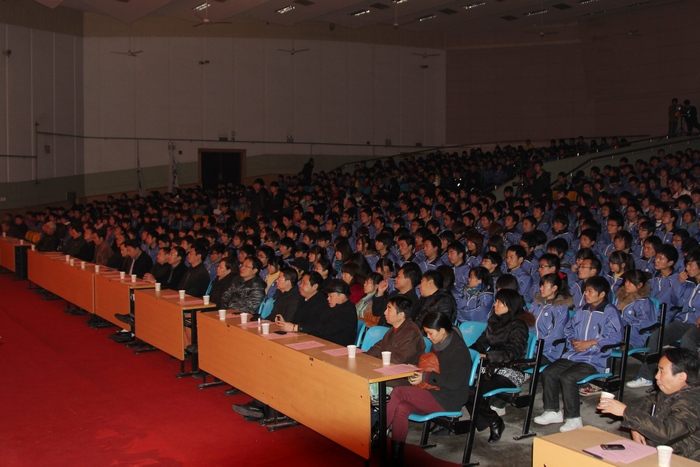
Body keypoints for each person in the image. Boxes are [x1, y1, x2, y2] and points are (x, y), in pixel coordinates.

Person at [534, 276, 623, 432]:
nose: (586, 294)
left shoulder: (610, 312)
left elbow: (616, 336)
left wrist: (591, 343)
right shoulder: (582, 310)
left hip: (594, 359)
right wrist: (573, 341)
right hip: (574, 355)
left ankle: (573, 418)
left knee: (568, 377)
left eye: (590, 291)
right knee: (549, 372)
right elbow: (568, 329)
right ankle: (552, 411)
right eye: (585, 291)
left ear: (602, 294)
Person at [385, 312, 472, 466]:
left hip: (448, 398)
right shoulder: (439, 344)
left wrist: (425, 376)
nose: (428, 336)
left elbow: (454, 383)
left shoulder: (459, 350)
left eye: (430, 333)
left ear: (442, 331)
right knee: (402, 407)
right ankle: (396, 457)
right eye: (426, 332)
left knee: (399, 392)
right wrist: (417, 369)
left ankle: (377, 433)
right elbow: (431, 367)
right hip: (434, 391)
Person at [599, 348, 700, 461]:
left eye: (662, 371)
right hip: (664, 452)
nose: (656, 376)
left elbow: (667, 433)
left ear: (681, 377)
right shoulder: (669, 392)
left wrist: (626, 412)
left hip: (684, 459)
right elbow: (647, 403)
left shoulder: (692, 402)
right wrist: (636, 427)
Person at [628, 250, 700, 388]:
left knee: (688, 339)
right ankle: (646, 376)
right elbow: (678, 302)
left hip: (697, 324)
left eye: (691, 265)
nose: (687, 268)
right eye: (686, 265)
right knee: (657, 335)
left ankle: (688, 380)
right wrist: (679, 284)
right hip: (683, 322)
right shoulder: (689, 284)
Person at [468, 288, 533, 442]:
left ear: (509, 306)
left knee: (470, 391)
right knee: (458, 381)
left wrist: (487, 356)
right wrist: (468, 352)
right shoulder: (494, 321)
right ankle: (484, 420)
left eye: (499, 302)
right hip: (490, 367)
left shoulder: (518, 326)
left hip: (509, 370)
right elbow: (481, 343)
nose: (495, 305)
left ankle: (494, 421)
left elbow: (513, 353)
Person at [276, 279, 357, 346]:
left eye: (331, 296)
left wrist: (296, 327)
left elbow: (325, 328)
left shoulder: (348, 312)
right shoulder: (332, 306)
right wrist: (288, 324)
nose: (328, 299)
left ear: (342, 297)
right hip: (322, 342)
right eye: (328, 295)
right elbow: (314, 322)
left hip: (336, 347)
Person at [367, 295, 425, 368]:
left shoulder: (412, 333)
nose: (385, 312)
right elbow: (378, 347)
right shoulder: (394, 329)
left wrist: (377, 365)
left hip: (401, 372)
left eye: (389, 310)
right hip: (387, 367)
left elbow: (400, 360)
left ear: (401, 315)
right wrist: (365, 358)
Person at [529, 273, 572, 364]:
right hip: (531, 347)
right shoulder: (536, 304)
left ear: (554, 288)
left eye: (544, 286)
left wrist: (535, 346)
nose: (541, 289)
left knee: (519, 363)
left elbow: (556, 335)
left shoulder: (561, 309)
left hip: (547, 351)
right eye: (541, 286)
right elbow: (528, 324)